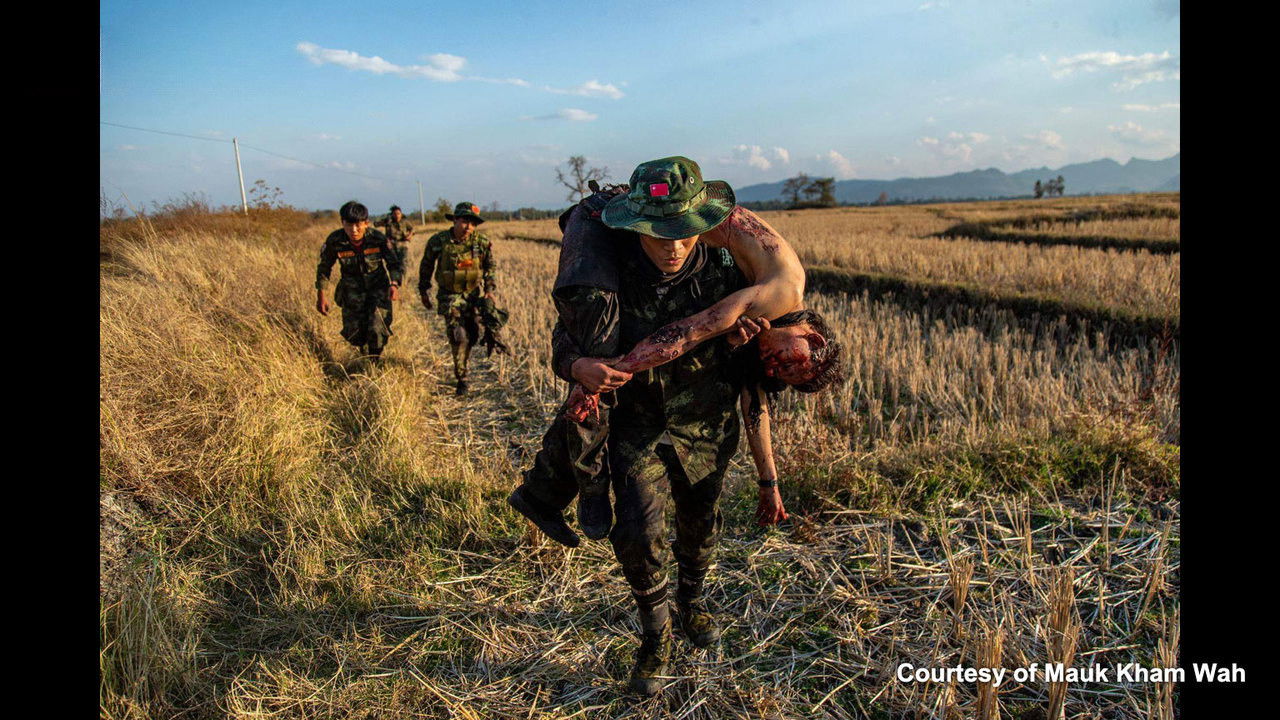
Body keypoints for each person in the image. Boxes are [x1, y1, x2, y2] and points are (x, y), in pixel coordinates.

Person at [517, 157, 839, 696]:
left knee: (699, 528)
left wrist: (768, 477)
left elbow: (750, 384)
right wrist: (577, 367)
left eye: (685, 233)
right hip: (637, 427)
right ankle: (656, 638)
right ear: (635, 227)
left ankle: (692, 602)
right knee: (637, 534)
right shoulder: (610, 276)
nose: (673, 247)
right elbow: (564, 340)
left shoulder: (729, 274)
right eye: (658, 234)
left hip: (705, 432)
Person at [509, 159, 843, 546]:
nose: (772, 365)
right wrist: (608, 371)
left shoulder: (758, 305)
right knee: (597, 348)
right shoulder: (780, 292)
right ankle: (586, 485)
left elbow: (755, 401)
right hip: (609, 213)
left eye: (777, 372)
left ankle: (540, 493)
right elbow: (687, 334)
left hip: (648, 209)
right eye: (786, 363)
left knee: (598, 371)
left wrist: (769, 481)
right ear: (813, 339)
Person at [418, 201, 509, 395]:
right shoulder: (439, 241)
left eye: (473, 223)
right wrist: (424, 290)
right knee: (458, 336)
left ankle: (464, 362)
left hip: (473, 295)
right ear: (455, 220)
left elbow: (490, 266)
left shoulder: (480, 242)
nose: (469, 227)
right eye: (465, 221)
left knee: (472, 334)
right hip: (449, 296)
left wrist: (489, 289)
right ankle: (462, 377)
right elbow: (426, 265)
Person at [315, 200, 403, 361]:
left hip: (378, 289)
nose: (354, 230)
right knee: (355, 334)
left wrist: (394, 284)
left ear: (366, 223)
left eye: (358, 225)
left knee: (377, 328)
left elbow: (393, 264)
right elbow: (324, 268)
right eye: (349, 225)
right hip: (352, 292)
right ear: (342, 222)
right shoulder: (335, 240)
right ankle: (363, 350)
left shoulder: (377, 238)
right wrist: (321, 295)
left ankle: (374, 361)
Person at [375, 205, 415, 270]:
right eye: (395, 214)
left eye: (398, 214)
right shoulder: (388, 221)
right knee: (393, 263)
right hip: (391, 245)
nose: (397, 216)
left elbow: (412, 229)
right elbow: (376, 224)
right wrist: (385, 220)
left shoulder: (405, 221)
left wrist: (410, 235)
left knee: (403, 263)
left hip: (402, 244)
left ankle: (403, 274)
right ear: (392, 215)